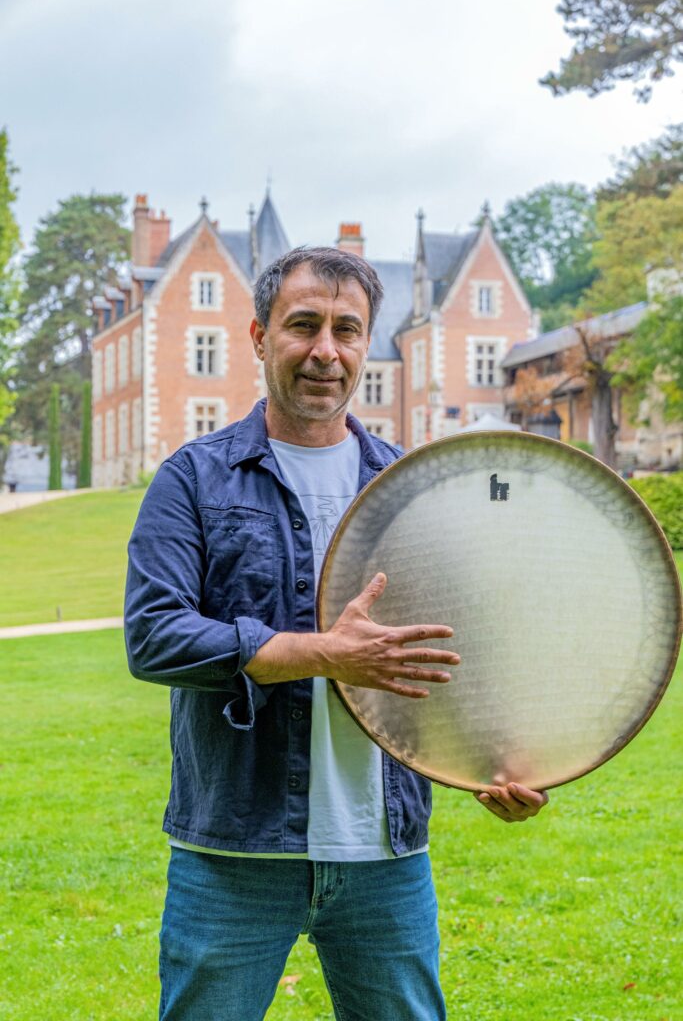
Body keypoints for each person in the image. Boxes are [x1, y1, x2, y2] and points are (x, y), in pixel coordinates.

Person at [125, 246, 548, 1021]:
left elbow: (457, 650)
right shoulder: (193, 478)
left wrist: (498, 762)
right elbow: (154, 636)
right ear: (258, 336)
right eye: (303, 326)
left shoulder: (411, 488)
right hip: (235, 851)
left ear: (364, 344)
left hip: (385, 855)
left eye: (347, 330)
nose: (326, 350)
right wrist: (323, 653)